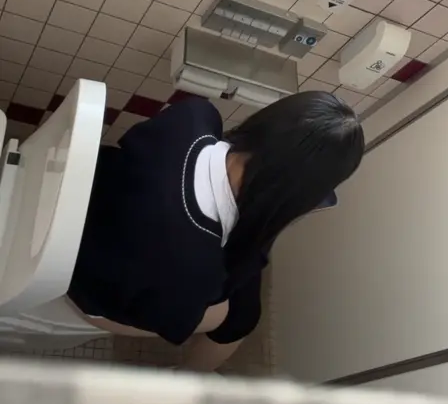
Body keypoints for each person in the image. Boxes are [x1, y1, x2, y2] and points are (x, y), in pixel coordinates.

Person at [67, 91, 365, 371]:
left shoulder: (194, 115)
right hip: (84, 284)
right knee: (234, 317)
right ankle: (189, 376)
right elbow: (168, 317)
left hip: (85, 201)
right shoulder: (196, 262)